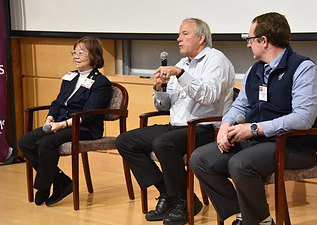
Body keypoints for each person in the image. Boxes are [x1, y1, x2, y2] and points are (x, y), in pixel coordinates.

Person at [190, 12, 317, 225]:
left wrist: (253, 129)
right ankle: (249, 214)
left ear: (264, 40)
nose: (247, 45)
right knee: (200, 159)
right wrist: (226, 125)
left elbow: (303, 119)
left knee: (241, 164)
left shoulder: (304, 69)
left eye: (250, 39)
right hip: (257, 142)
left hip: (292, 145)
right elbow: (241, 104)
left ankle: (257, 220)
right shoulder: (255, 70)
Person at [115, 18, 235, 225]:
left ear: (201, 37)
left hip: (204, 128)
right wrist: (159, 89)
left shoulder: (216, 60)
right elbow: (164, 106)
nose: (179, 39)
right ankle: (173, 195)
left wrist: (180, 75)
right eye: (179, 35)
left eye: (185, 34)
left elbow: (209, 96)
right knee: (125, 141)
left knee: (163, 143)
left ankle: (182, 201)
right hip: (177, 126)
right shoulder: (182, 63)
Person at [18, 37, 112, 207]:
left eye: (81, 52)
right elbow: (58, 102)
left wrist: (61, 125)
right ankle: (60, 181)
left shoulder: (101, 82)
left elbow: (89, 114)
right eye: (74, 52)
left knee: (46, 143)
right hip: (60, 123)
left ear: (94, 55)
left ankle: (44, 188)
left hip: (85, 127)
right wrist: (50, 118)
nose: (76, 56)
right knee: (25, 141)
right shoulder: (70, 76)